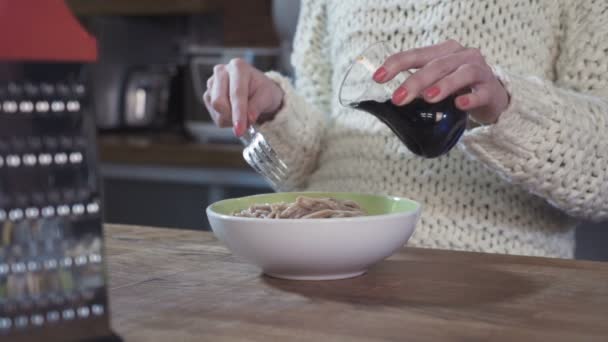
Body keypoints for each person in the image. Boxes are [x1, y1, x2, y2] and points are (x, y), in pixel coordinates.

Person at [203, 0, 608, 258]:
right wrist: (274, 107)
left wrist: (508, 106)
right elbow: (310, 162)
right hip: (327, 266)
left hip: (487, 277)